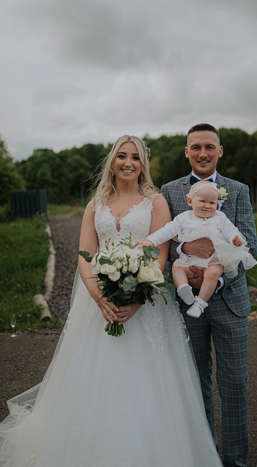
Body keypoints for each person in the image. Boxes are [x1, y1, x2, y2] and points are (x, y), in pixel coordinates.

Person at [0, 136, 223, 466]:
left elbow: (158, 257)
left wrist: (135, 301)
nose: (128, 162)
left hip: (146, 309)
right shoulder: (96, 203)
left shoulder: (156, 202)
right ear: (112, 161)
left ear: (143, 164)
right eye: (122, 156)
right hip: (98, 306)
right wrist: (99, 297)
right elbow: (86, 254)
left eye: (135, 157)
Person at [161, 124, 257, 467]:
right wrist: (186, 247)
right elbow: (165, 242)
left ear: (220, 151)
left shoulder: (238, 190)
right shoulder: (170, 191)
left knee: (234, 384)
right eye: (196, 147)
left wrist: (213, 274)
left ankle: (234, 461)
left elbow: (248, 242)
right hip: (186, 304)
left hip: (230, 301)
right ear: (186, 152)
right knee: (194, 380)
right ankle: (202, 456)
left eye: (209, 147)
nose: (203, 153)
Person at [140, 180, 257, 319]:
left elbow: (232, 230)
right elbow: (167, 231)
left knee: (213, 273)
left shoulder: (220, 217)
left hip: (214, 258)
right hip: (191, 260)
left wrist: (236, 239)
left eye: (212, 203)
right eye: (202, 201)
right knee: (177, 267)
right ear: (190, 201)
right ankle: (183, 288)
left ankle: (200, 304)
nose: (207, 206)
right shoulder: (184, 218)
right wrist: (151, 240)